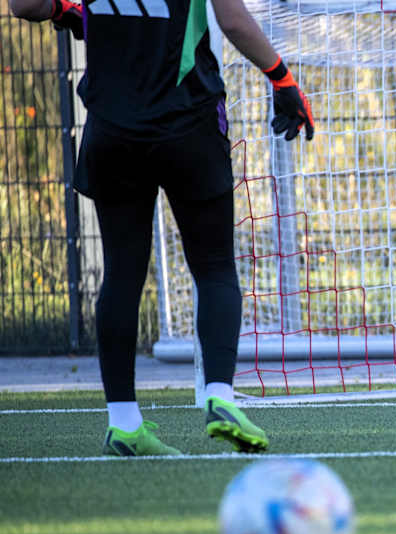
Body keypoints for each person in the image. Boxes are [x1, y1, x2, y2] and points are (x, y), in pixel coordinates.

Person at [11, 0, 316, 454]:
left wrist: (63, 11)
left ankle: (124, 424)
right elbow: (231, 19)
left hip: (113, 127)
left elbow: (25, 5)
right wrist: (281, 77)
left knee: (121, 274)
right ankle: (219, 396)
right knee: (214, 268)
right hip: (188, 120)